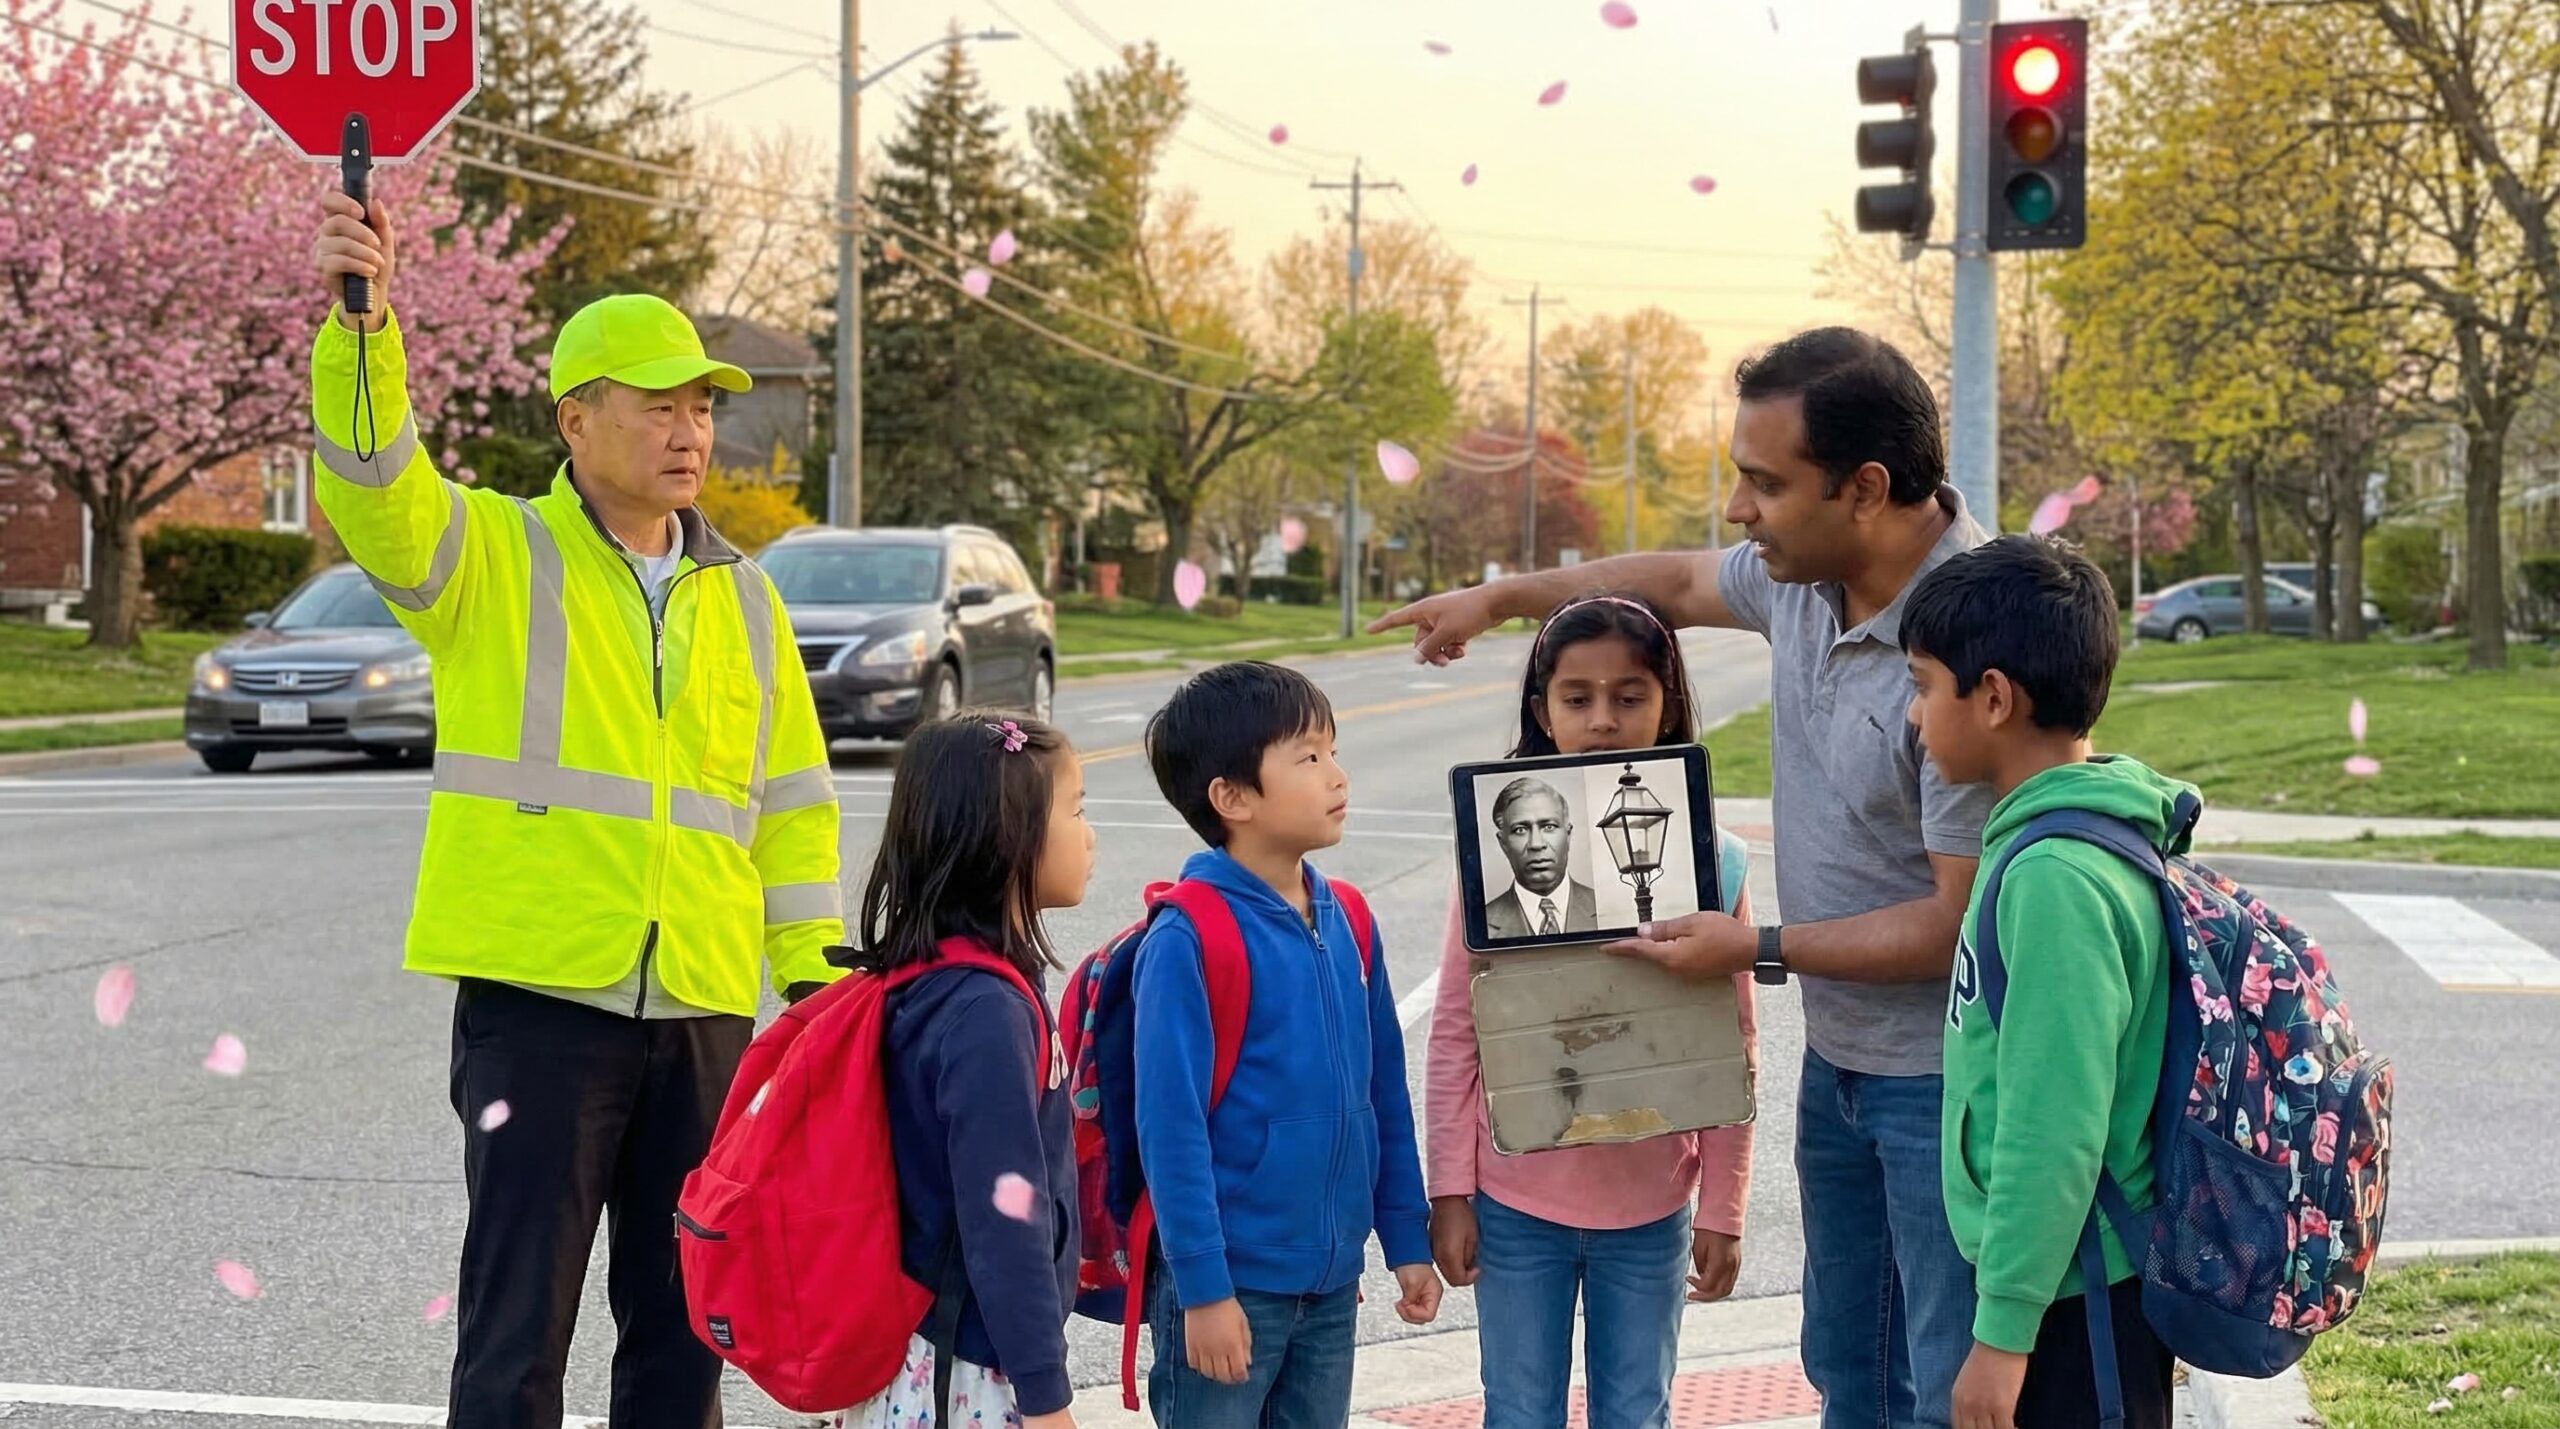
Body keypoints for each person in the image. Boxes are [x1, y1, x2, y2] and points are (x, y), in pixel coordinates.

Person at [1375, 327, 1994, 1428]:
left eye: (1765, 483)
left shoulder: (1970, 638)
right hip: (1841, 1066)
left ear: (1863, 489)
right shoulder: (1807, 577)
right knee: (1850, 1364)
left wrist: (1755, 947)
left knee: (1943, 1380)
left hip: (1941, 1081)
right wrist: (1504, 598)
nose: (1738, 511)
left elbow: (1961, 922)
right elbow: (1668, 580)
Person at [311, 195, 845, 1428]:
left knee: (683, 1341)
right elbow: (374, 485)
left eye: (701, 405)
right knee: (515, 1338)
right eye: (657, 404)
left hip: (704, 1008)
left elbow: (791, 806)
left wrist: (814, 978)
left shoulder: (745, 598)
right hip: (541, 1001)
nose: (689, 430)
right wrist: (362, 331)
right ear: (574, 419)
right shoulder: (490, 555)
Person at [1427, 595, 1761, 1429]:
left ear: (1667, 705)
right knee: (1518, 1410)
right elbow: (1456, 1032)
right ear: (1543, 711)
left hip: (1651, 1205)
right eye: (1578, 698)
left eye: (1629, 695)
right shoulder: (1491, 861)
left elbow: (1733, 1039)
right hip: (1516, 1200)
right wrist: (1450, 1189)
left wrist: (1723, 1205)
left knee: (1636, 1410)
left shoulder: (1714, 861)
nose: (1603, 719)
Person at [1900, 537, 2183, 1429]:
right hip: (2077, 1280)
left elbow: (2052, 1126)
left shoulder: (2054, 877)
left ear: (1992, 697)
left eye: (1922, 686)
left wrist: (2002, 1335)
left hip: (2077, 1298)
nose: (1914, 715)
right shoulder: (2063, 839)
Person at [1132, 661, 1442, 1428]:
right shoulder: (1188, 936)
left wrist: (1406, 1236)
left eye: (1333, 751)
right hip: (1232, 1285)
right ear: (1233, 798)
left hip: (1332, 1285)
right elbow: (1170, 1129)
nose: (1337, 774)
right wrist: (1204, 1289)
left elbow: (1383, 1094)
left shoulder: (1352, 919)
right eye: (1308, 756)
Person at [839, 713, 1096, 1429]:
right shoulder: (985, 1013)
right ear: (1010, 837)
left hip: (930, 1353)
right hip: (965, 1374)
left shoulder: (948, 979)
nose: (1089, 835)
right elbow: (1004, 1218)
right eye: (1076, 811)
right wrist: (1046, 1398)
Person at [1483, 776, 1600, 938]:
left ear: (1568, 835)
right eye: (1520, 830)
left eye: (1549, 827)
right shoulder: (1480, 924)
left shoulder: (1608, 910)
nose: (1536, 844)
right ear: (1503, 843)